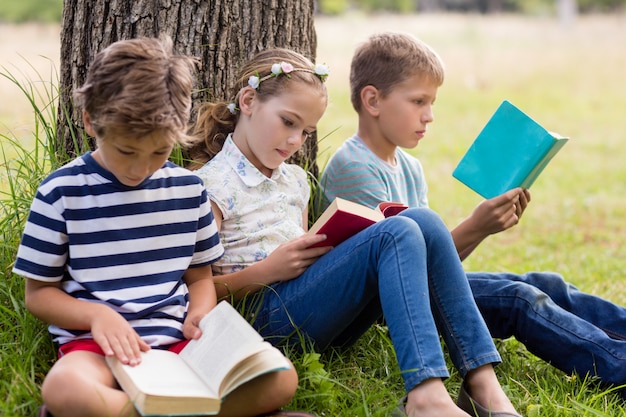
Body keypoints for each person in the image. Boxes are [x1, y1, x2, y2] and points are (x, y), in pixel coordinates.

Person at [186, 46, 522, 417]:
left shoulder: (295, 181)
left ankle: (481, 381)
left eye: (306, 131)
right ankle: (426, 395)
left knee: (423, 221)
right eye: (288, 122)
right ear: (248, 100)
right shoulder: (209, 187)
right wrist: (268, 271)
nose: (296, 141)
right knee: (395, 233)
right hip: (259, 323)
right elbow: (193, 293)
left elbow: (306, 260)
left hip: (318, 317)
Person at [321, 30, 626, 398]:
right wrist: (476, 226)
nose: (429, 116)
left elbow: (435, 259)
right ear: (372, 99)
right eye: (418, 101)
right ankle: (617, 368)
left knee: (545, 283)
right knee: (520, 299)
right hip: (393, 309)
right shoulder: (353, 167)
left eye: (431, 103)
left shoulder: (408, 166)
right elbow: (403, 275)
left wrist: (482, 228)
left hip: (429, 288)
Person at [13, 36, 304, 417]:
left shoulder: (189, 191)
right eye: (127, 151)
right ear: (90, 121)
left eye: (158, 152)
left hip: (179, 347)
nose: (139, 168)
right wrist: (97, 316)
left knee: (281, 377)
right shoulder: (61, 193)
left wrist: (199, 312)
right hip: (98, 350)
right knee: (65, 387)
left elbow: (199, 278)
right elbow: (39, 294)